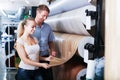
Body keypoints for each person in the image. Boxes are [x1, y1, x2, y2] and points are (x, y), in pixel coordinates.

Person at [33, 4, 56, 80]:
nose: (45, 18)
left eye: (46, 16)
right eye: (43, 15)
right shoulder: (30, 27)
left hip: (45, 56)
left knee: (48, 78)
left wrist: (52, 50)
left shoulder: (47, 27)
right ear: (37, 12)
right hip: (33, 58)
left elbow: (50, 41)